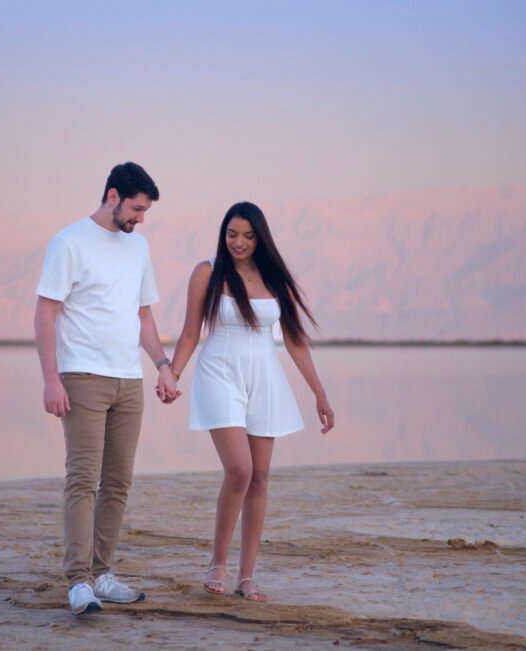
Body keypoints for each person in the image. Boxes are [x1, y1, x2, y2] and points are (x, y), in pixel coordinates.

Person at [168, 201, 334, 602]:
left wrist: (320, 394)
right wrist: (171, 374)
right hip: (219, 374)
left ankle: (246, 576)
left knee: (260, 477)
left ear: (260, 238)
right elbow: (191, 331)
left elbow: (294, 339)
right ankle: (218, 562)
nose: (238, 242)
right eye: (231, 234)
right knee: (239, 469)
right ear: (223, 234)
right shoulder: (207, 272)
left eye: (247, 235)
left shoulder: (273, 278)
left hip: (265, 377)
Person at [34, 162, 180, 616]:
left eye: (146, 212)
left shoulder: (139, 249)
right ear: (113, 196)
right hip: (82, 378)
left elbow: (144, 316)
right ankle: (78, 581)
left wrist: (163, 366)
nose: (141, 218)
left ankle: (103, 572)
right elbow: (45, 314)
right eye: (137, 208)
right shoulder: (69, 242)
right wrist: (51, 379)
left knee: (117, 482)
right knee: (82, 479)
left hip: (128, 380)